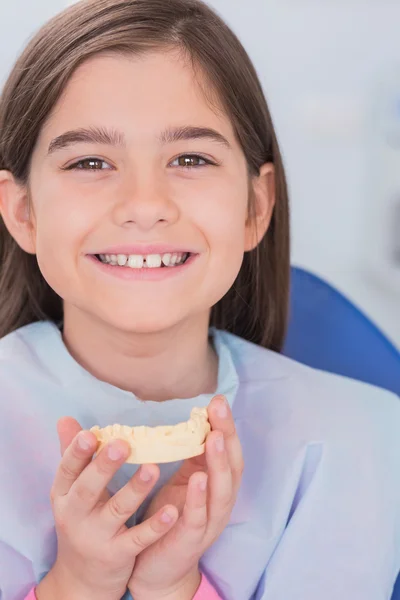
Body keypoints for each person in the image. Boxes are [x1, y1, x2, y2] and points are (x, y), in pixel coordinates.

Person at [0, 0, 399, 598]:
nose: (144, 202)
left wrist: (173, 587)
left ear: (255, 207)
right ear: (23, 211)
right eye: (89, 161)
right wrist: (75, 585)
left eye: (190, 159)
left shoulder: (361, 442)